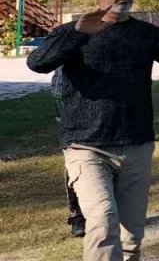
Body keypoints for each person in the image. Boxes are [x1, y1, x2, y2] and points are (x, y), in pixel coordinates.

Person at [26, 0, 159, 261]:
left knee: (131, 235)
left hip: (137, 144)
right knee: (103, 221)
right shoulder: (74, 30)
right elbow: (38, 63)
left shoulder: (145, 33)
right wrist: (79, 34)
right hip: (86, 145)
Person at [50, 67, 86, 238]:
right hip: (73, 109)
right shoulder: (72, 41)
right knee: (75, 165)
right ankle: (77, 215)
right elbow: (58, 88)